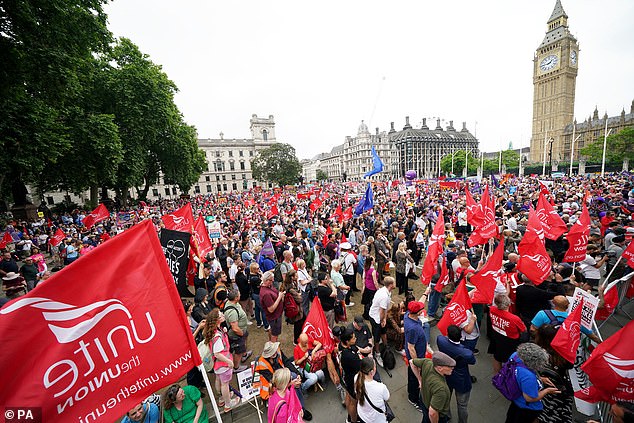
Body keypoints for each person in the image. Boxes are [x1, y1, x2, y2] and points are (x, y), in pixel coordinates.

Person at [254, 341, 313, 421]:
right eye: (272, 353)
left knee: (295, 379)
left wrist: (297, 373)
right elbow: (274, 382)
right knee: (283, 405)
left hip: (282, 377)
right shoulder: (262, 364)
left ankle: (300, 408)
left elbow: (287, 362)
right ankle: (293, 411)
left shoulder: (277, 351)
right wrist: (290, 384)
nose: (275, 353)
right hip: (272, 386)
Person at [505, 343, 560, 423]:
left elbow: (519, 377)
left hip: (515, 399)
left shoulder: (515, 356)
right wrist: (547, 391)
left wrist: (539, 378)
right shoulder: (528, 377)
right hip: (525, 407)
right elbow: (529, 398)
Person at [202, 308, 240, 413]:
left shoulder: (215, 331)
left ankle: (222, 398)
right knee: (225, 384)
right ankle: (228, 404)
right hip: (223, 364)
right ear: (217, 320)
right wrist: (229, 362)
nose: (223, 315)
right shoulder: (217, 336)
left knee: (218, 380)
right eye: (220, 315)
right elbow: (217, 353)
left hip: (217, 366)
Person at [437, 325, 476, 423]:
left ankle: (447, 417)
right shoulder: (466, 353)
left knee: (446, 399)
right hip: (461, 379)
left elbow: (441, 337)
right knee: (462, 405)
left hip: (447, 376)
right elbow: (473, 361)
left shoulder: (441, 341)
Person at [530, 295, 602, 344]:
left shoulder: (542, 314)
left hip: (545, 344)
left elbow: (533, 330)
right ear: (568, 305)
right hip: (563, 346)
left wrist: (540, 339)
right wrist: (602, 344)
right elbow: (592, 336)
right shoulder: (576, 319)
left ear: (553, 303)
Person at [410, 351, 456, 423]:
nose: (452, 368)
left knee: (425, 418)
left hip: (423, 400)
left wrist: (420, 380)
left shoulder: (427, 362)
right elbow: (432, 413)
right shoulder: (441, 389)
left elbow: (411, 362)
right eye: (449, 367)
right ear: (440, 368)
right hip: (436, 414)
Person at [488, 294, 527, 373]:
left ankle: (497, 375)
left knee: (497, 357)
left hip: (496, 335)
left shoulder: (492, 309)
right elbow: (524, 330)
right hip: (510, 341)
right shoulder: (514, 318)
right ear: (509, 304)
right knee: (510, 360)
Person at [404, 301, 428, 413]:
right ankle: (413, 399)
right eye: (420, 309)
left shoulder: (407, 315)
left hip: (417, 355)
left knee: (413, 377)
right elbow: (411, 347)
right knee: (414, 378)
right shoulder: (413, 329)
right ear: (417, 313)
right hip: (415, 358)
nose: (422, 310)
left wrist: (425, 293)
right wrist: (417, 363)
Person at [369, 276, 396, 367]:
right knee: (376, 337)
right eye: (394, 282)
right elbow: (381, 311)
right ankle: (377, 354)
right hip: (376, 318)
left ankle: (386, 346)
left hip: (380, 317)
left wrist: (384, 319)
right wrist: (382, 320)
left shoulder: (386, 292)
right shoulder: (384, 296)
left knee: (383, 332)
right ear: (391, 285)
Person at [355, 356, 391, 423]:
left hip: (362, 415)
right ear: (371, 372)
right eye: (375, 366)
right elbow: (387, 398)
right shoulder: (380, 387)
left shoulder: (356, 377)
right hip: (376, 419)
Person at [338, 326, 362, 423]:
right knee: (353, 402)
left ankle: (349, 418)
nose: (355, 338)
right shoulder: (349, 356)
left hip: (346, 378)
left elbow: (356, 349)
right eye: (353, 338)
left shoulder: (343, 346)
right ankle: (353, 420)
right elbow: (360, 366)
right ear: (347, 341)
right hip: (352, 380)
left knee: (349, 397)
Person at [224, 290, 251, 371]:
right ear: (236, 298)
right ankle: (236, 367)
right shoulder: (232, 312)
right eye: (239, 295)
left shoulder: (234, 303)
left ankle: (244, 355)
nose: (240, 295)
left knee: (242, 346)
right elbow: (235, 328)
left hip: (242, 331)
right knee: (238, 351)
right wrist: (242, 333)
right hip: (237, 335)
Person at [260, 270, 285, 342]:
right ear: (266, 280)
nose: (272, 282)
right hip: (274, 317)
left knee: (272, 330)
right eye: (271, 280)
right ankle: (273, 347)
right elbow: (271, 309)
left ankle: (271, 342)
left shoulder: (267, 286)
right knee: (275, 334)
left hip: (275, 316)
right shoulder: (266, 294)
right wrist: (280, 297)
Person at [281, 269, 305, 343]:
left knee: (302, 321)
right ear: (292, 277)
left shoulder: (291, 284)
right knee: (298, 325)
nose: (297, 276)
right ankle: (296, 340)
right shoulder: (291, 288)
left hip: (296, 309)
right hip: (296, 310)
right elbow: (300, 299)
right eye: (296, 275)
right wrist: (299, 295)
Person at [249, 262, 270, 331]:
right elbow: (263, 283)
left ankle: (259, 323)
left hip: (256, 293)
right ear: (253, 269)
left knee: (257, 309)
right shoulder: (254, 278)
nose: (259, 269)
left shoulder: (253, 275)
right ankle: (266, 325)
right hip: (258, 294)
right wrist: (262, 275)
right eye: (257, 268)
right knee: (263, 309)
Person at [361, 256, 379, 320]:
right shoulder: (373, 270)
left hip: (367, 286)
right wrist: (378, 289)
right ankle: (368, 315)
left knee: (366, 302)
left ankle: (365, 314)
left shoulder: (365, 267)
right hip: (372, 288)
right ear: (371, 261)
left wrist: (363, 286)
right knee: (370, 302)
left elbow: (363, 277)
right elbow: (375, 281)